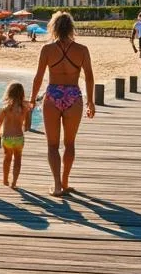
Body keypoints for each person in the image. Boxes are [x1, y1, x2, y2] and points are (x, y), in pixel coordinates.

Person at [29, 11, 95, 197]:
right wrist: (90, 101)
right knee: (70, 143)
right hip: (74, 95)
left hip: (53, 95)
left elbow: (38, 77)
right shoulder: (82, 50)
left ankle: (57, 185)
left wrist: (32, 99)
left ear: (54, 28)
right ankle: (65, 182)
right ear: (71, 28)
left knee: (52, 145)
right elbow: (89, 77)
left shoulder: (47, 50)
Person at [0, 82, 32, 188]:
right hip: (19, 138)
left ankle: (5, 180)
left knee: (7, 158)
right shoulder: (25, 108)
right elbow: (27, 126)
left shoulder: (5, 108)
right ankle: (14, 182)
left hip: (6, 138)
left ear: (9, 93)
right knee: (18, 159)